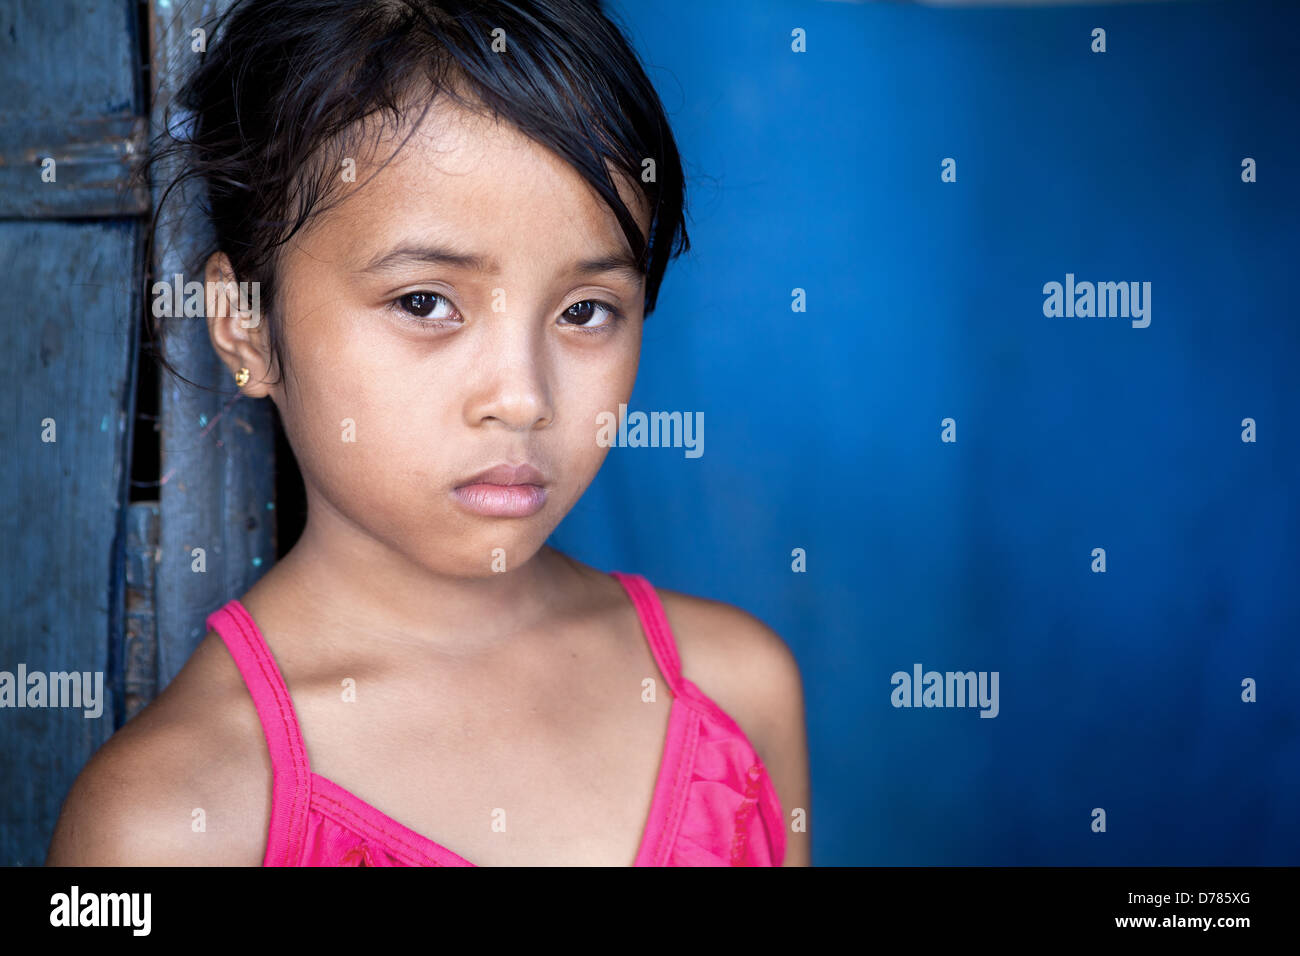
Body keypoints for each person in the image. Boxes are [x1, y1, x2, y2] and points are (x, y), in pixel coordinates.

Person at [47, 0, 810, 866]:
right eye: (424, 303)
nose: (522, 398)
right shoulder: (172, 822)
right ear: (246, 325)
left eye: (586, 310)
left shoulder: (735, 694)